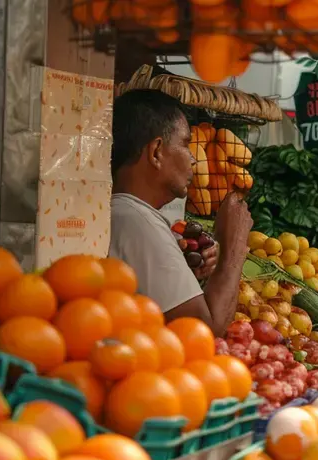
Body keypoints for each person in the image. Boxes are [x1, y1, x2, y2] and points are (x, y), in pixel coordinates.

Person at [108, 89, 252, 336]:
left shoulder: (129, 214)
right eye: (186, 144)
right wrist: (235, 246)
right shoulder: (136, 221)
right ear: (156, 152)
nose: (194, 159)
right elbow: (205, 332)